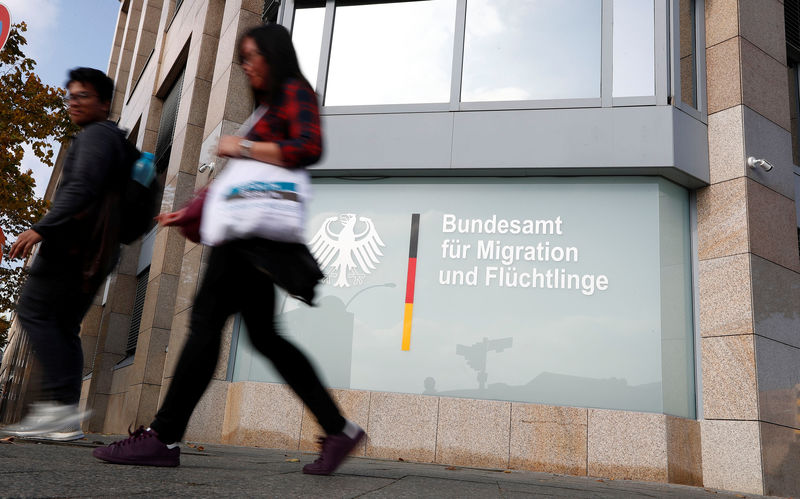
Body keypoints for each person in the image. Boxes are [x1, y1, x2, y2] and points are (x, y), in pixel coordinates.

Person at [92, 24, 365, 475]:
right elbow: (237, 183)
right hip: (249, 236)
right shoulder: (265, 109)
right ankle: (338, 429)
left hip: (248, 239)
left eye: (252, 55)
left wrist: (244, 145)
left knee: (205, 324)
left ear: (274, 56)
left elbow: (308, 146)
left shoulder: (294, 91)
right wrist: (192, 212)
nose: (245, 64)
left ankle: (162, 436)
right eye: (242, 57)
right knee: (265, 338)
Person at [2, 68, 127, 441]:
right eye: (70, 96)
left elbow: (81, 189)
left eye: (82, 96)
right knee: (64, 328)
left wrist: (42, 228)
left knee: (33, 312)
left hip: (72, 249)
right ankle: (65, 418)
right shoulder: (113, 139)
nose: (73, 102)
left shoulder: (94, 138)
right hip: (98, 251)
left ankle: (57, 410)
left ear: (103, 103)